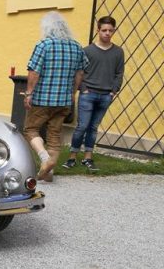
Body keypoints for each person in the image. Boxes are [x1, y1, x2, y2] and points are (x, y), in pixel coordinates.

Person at [23, 11, 86, 182]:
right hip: (64, 100)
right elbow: (80, 73)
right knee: (54, 134)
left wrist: (28, 93)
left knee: (31, 129)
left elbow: (34, 71)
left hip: (42, 99)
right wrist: (73, 93)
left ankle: (44, 158)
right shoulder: (77, 47)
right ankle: (49, 172)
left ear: (47, 27)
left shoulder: (44, 45)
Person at [62, 15, 125, 172]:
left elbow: (119, 73)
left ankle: (88, 158)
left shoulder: (118, 52)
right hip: (88, 94)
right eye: (104, 30)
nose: (107, 33)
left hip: (106, 96)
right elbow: (79, 72)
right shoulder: (87, 51)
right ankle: (72, 157)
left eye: (110, 30)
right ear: (98, 30)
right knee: (82, 126)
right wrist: (83, 88)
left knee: (93, 127)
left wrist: (113, 91)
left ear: (114, 31)